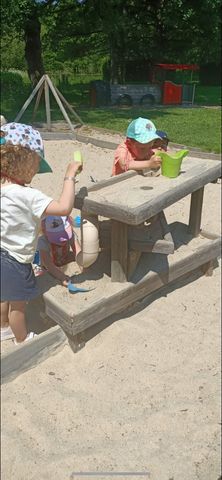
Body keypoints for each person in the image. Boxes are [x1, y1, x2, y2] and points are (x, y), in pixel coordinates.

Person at [0, 122, 82, 344]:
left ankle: (3, 328)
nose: (36, 171)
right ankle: (22, 338)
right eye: (36, 164)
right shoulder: (28, 195)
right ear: (23, 160)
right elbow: (64, 207)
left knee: (4, 295)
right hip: (16, 259)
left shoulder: (3, 187)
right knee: (18, 306)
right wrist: (69, 176)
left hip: (1, 252)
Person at [35, 215, 82, 286]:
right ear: (45, 232)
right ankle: (38, 269)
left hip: (62, 257)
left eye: (64, 235)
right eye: (58, 237)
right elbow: (49, 265)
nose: (63, 239)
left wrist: (84, 269)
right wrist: (62, 277)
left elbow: (79, 253)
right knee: (40, 265)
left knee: (78, 257)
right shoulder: (43, 242)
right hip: (45, 263)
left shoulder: (70, 234)